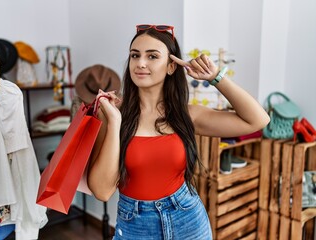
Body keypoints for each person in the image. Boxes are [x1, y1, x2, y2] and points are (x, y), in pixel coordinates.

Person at [87, 24, 270, 240]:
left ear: (171, 67)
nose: (141, 63)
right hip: (135, 225)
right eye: (135, 56)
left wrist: (215, 77)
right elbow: (102, 191)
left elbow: (258, 120)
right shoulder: (110, 113)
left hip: (187, 219)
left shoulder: (187, 116)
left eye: (152, 56)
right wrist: (116, 123)